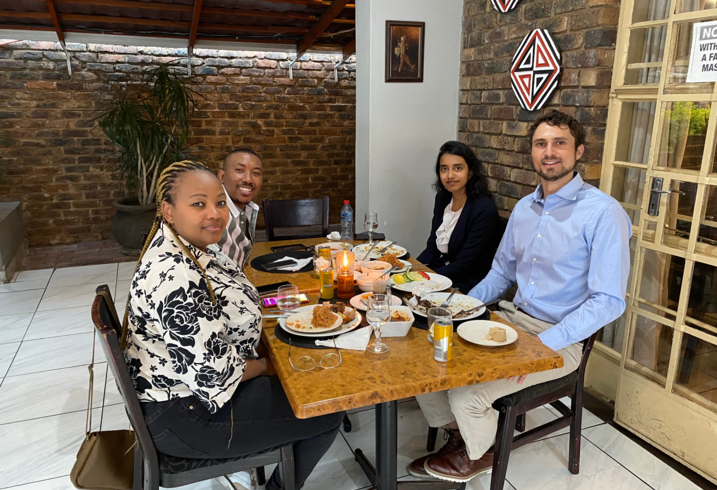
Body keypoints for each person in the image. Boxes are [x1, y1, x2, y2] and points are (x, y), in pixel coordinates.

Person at [409, 111, 632, 482]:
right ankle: (460, 435)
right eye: (541, 143)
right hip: (509, 320)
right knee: (426, 361)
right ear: (531, 152)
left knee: (468, 396)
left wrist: (543, 344)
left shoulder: (604, 213)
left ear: (579, 152)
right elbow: (501, 273)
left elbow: (609, 300)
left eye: (559, 143)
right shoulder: (525, 209)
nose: (549, 152)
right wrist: (461, 307)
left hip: (560, 339)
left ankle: (481, 452)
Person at [122, 160, 343, 490]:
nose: (214, 213)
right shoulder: (174, 275)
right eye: (199, 204)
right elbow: (215, 374)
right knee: (326, 409)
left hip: (189, 395)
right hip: (186, 415)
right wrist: (272, 366)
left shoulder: (194, 247)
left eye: (219, 202)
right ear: (168, 211)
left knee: (308, 382)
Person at [416, 141, 498, 293]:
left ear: (470, 171)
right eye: (444, 169)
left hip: (468, 281)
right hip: (444, 271)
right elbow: (433, 247)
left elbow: (463, 264)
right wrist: (411, 269)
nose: (450, 175)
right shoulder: (443, 198)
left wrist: (424, 279)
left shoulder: (484, 209)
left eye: (457, 168)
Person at [217, 148, 263, 269]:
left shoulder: (247, 210)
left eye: (256, 173)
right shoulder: (213, 214)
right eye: (239, 170)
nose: (248, 179)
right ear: (222, 176)